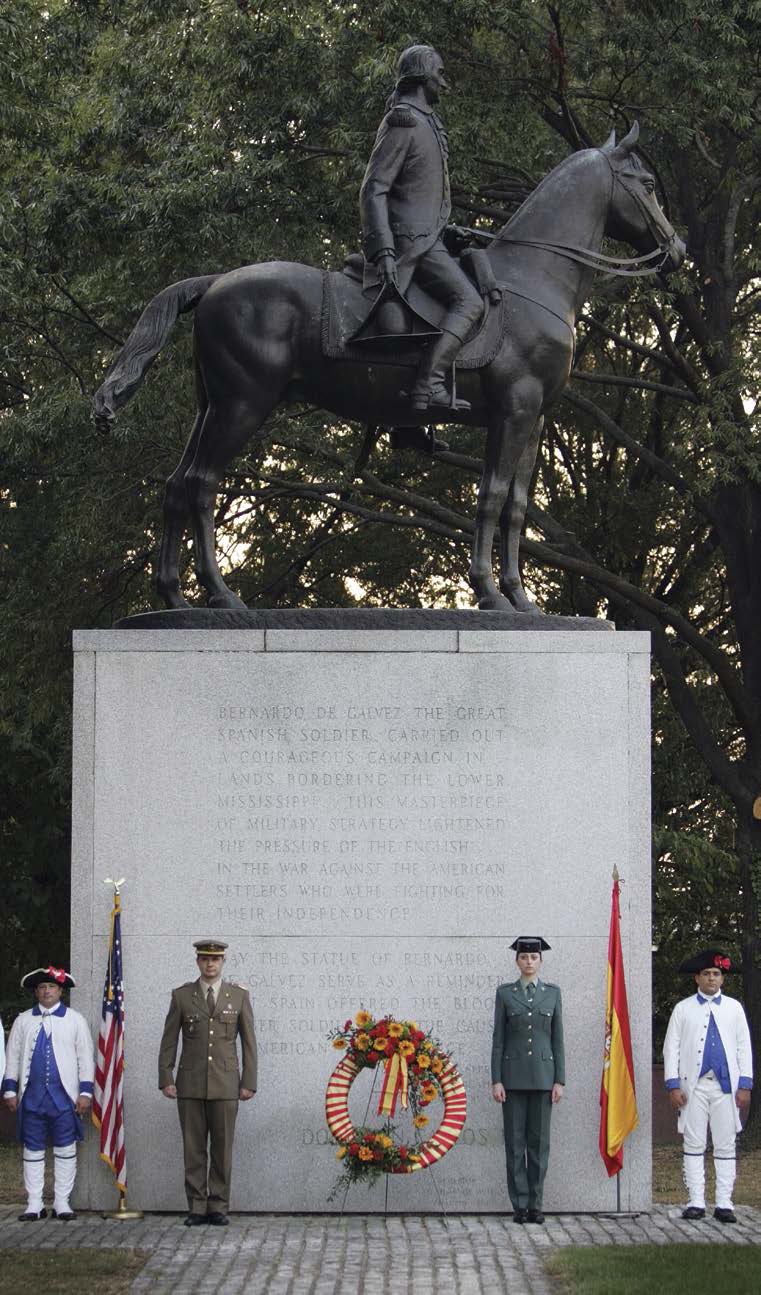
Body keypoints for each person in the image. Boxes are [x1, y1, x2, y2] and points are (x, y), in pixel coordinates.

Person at [359, 44, 483, 413]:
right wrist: (383, 250)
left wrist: (446, 232)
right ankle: (428, 387)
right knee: (470, 301)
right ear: (421, 76)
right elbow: (374, 189)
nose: (444, 82)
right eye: (440, 74)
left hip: (428, 240)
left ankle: (410, 424)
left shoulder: (427, 121)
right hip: (410, 245)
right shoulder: (405, 120)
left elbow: (415, 197)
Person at [159, 939, 257, 1226]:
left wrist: (248, 1081)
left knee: (222, 1148)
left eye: (215, 959)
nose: (210, 964)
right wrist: (166, 1076)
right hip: (189, 1083)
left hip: (226, 1083)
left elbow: (249, 1042)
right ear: (197, 962)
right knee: (194, 1147)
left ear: (223, 962)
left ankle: (219, 1206)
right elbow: (169, 1041)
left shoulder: (237, 996)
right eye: (204, 959)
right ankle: (196, 1206)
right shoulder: (182, 996)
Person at [663, 947, 753, 1223]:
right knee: (694, 1142)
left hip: (725, 1086)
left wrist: (745, 1084)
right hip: (694, 1087)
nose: (712, 979)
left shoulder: (734, 1008)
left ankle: (724, 1202)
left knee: (726, 1144)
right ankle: (696, 1201)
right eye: (706, 974)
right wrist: (673, 1084)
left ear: (722, 979)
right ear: (697, 979)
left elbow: (743, 1046)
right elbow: (672, 1048)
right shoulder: (683, 1009)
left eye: (716, 974)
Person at [1, 966, 94, 1221]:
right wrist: (9, 1089)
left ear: (60, 990)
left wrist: (85, 1093)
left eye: (51, 987)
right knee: (33, 1150)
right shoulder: (23, 1020)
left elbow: (85, 1058)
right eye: (42, 988)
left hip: (64, 1098)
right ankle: (34, 1203)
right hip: (32, 1097)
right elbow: (13, 1056)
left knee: (65, 1148)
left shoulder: (75, 1020)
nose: (46, 991)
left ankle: (62, 1202)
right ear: (36, 992)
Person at [491, 937, 565, 1223]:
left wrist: (560, 1080)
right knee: (514, 1144)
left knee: (539, 1145)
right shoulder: (505, 993)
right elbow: (498, 1040)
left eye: (534, 958)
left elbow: (558, 1039)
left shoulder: (553, 993)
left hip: (544, 1079)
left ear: (540, 961)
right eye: (524, 958)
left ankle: (536, 1204)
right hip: (512, 1079)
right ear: (517, 961)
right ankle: (519, 1205)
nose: (529, 962)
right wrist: (496, 1079)